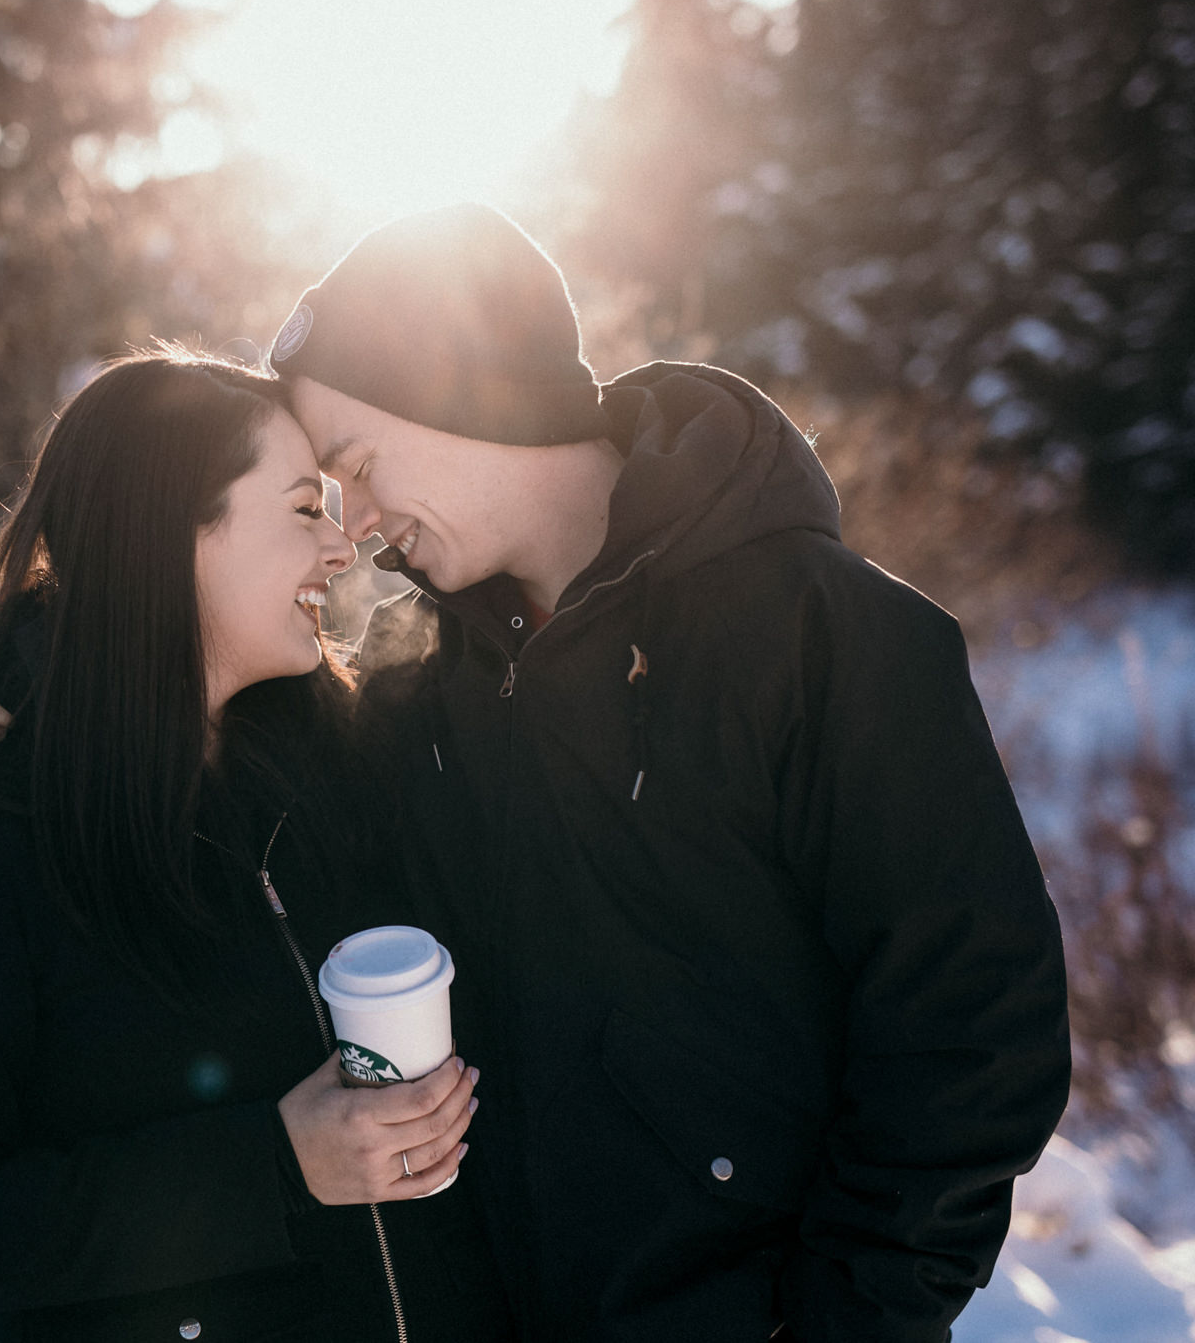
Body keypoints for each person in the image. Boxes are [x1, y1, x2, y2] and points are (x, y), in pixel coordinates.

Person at [263, 203, 1073, 1342]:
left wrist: (846, 1322)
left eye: (355, 464)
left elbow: (973, 1025)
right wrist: (37, 677)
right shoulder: (420, 684)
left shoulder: (821, 634)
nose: (356, 523)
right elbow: (208, 771)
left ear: (465, 394)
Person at [0, 351, 514, 1342]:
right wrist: (274, 1169)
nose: (340, 548)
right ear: (168, 536)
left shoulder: (339, 774)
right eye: (299, 509)